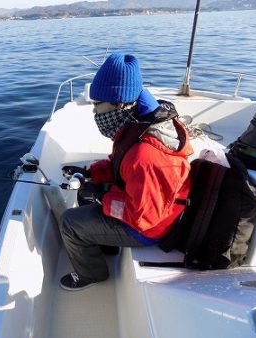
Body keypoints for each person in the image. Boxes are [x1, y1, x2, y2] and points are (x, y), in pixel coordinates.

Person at [59, 53, 193, 291]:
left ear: (119, 103)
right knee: (83, 194)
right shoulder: (138, 124)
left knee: (70, 222)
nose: (95, 112)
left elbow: (144, 217)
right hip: (151, 208)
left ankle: (92, 274)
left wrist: (101, 196)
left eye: (97, 104)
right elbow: (119, 164)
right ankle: (104, 243)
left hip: (151, 229)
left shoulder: (146, 154)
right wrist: (89, 173)